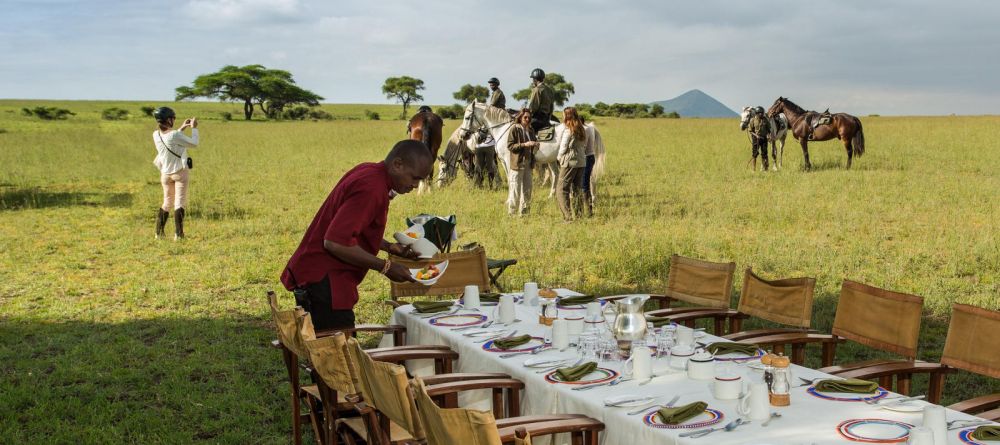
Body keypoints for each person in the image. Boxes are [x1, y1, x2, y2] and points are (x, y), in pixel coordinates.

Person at [280, 140, 432, 330]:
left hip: (324, 278)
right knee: (338, 355)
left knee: (328, 352)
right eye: (414, 178)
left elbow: (352, 230)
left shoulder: (370, 171)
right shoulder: (372, 188)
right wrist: (385, 267)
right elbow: (335, 242)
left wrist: (388, 247)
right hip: (325, 281)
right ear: (398, 164)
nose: (415, 185)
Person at [151, 107, 198, 240]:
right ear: (168, 120)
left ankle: (158, 233)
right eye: (173, 118)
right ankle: (179, 234)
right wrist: (194, 128)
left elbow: (170, 139)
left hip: (165, 174)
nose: (174, 120)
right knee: (179, 202)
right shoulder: (174, 135)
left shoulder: (156, 134)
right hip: (179, 173)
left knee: (167, 202)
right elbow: (194, 143)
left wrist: (182, 128)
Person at [506, 109, 539, 215]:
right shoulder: (514, 129)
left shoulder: (531, 130)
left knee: (528, 189)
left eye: (529, 117)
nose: (527, 119)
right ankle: (512, 213)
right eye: (525, 117)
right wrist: (524, 144)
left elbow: (533, 146)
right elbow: (510, 146)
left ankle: (524, 213)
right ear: (520, 117)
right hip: (517, 164)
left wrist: (536, 145)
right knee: (515, 190)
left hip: (528, 163)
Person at [556, 107, 587, 221]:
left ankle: (567, 217)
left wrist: (559, 159)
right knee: (577, 189)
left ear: (567, 116)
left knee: (561, 189)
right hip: (581, 161)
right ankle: (579, 215)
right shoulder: (581, 128)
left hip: (569, 161)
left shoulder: (568, 130)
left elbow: (563, 147)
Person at [527, 68, 555, 133]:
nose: (532, 81)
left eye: (533, 79)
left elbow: (533, 107)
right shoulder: (549, 90)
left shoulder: (537, 90)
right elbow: (551, 107)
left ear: (535, 79)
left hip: (537, 119)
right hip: (546, 120)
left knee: (520, 129)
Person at [580, 116, 596, 217]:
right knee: (585, 184)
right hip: (590, 157)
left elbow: (583, 146)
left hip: (586, 157)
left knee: (584, 185)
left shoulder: (584, 130)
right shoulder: (589, 128)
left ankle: (589, 211)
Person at [747, 106, 770, 171]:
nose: (762, 114)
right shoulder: (752, 120)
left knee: (764, 154)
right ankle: (753, 170)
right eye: (761, 113)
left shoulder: (765, 119)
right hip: (756, 139)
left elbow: (769, 129)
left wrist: (769, 135)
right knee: (754, 154)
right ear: (757, 113)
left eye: (763, 113)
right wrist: (756, 135)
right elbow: (750, 131)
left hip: (764, 138)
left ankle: (765, 169)